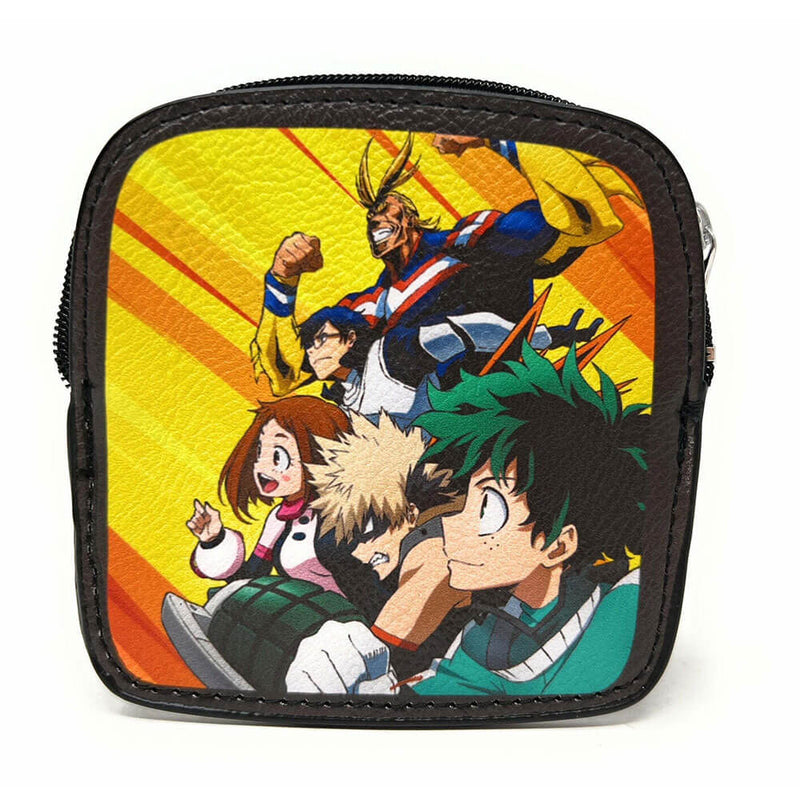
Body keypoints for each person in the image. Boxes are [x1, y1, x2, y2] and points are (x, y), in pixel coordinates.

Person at [283, 343, 649, 695]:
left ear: (558, 545)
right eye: (467, 501)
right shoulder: (488, 640)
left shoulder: (628, 608)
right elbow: (432, 692)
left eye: (488, 509)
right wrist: (357, 683)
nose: (452, 526)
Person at [250, 132, 638, 409]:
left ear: (411, 217)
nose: (375, 219)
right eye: (370, 217)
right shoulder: (370, 305)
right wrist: (283, 279)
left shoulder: (462, 245)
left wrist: (496, 137)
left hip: (490, 408)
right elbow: (286, 372)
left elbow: (570, 222)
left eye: (387, 209)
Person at [306, 412, 470, 675]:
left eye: (371, 530)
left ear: (411, 513)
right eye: (354, 539)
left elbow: (381, 658)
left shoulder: (436, 554)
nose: (361, 551)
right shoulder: (387, 558)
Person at [187, 395, 351, 594]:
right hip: (305, 610)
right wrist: (214, 539)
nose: (262, 467)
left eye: (278, 456)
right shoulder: (280, 519)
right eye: (259, 452)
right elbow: (250, 580)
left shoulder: (346, 515)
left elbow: (369, 588)